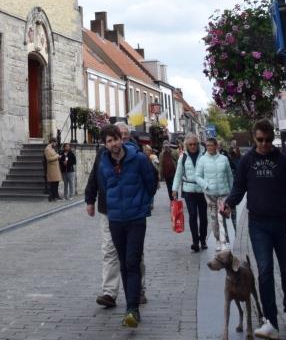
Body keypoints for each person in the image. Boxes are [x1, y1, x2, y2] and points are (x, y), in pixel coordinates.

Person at [220, 119, 286, 339]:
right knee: (264, 271)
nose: (264, 144)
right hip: (258, 225)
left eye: (268, 140)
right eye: (260, 140)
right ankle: (270, 321)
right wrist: (229, 204)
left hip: (283, 223)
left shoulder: (283, 161)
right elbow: (239, 188)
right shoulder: (247, 161)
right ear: (254, 138)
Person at [88, 124, 157, 329]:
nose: (114, 144)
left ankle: (132, 309)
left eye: (116, 139)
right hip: (115, 219)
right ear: (105, 144)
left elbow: (152, 183)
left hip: (136, 218)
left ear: (121, 139)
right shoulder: (103, 162)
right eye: (109, 141)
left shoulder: (139, 159)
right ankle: (129, 305)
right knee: (124, 264)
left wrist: (142, 203)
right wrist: (94, 201)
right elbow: (102, 184)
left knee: (132, 261)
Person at [195, 136, 233, 251]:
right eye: (207, 146)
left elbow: (229, 176)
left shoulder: (224, 159)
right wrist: (206, 185)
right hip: (210, 194)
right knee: (214, 218)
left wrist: (232, 191)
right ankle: (217, 239)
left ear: (216, 146)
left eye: (211, 145)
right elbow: (197, 176)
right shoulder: (202, 160)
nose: (209, 148)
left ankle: (224, 241)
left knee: (221, 217)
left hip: (223, 193)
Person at [172, 133, 208, 252]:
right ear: (186, 145)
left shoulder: (204, 155)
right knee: (192, 215)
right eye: (190, 144)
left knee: (203, 216)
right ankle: (195, 241)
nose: (193, 146)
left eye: (195, 144)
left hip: (202, 190)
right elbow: (178, 174)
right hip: (189, 190)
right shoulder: (183, 157)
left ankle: (203, 240)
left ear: (198, 144)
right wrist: (174, 189)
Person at [44, 136, 61, 201]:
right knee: (53, 184)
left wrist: (58, 156)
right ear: (52, 142)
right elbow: (48, 159)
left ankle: (55, 196)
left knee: (56, 183)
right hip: (52, 169)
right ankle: (51, 197)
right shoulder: (47, 149)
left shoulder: (52, 149)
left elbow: (54, 156)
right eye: (55, 143)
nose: (56, 144)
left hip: (55, 168)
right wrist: (57, 156)